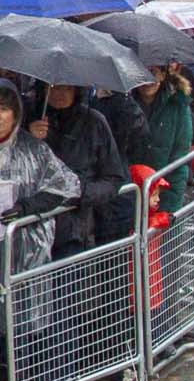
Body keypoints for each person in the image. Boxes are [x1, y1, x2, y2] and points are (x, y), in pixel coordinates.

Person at [0, 80, 82, 381]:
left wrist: (29, 208)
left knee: (22, 333)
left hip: (22, 259)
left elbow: (68, 185)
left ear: (16, 114)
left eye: (4, 109)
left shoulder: (34, 151)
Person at [28, 84, 126, 257]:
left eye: (66, 88)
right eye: (54, 88)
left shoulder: (94, 122)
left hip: (74, 232)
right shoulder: (29, 118)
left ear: (76, 90)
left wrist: (81, 193)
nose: (59, 94)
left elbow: (113, 178)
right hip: (33, 229)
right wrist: (28, 139)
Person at [132, 65, 194, 214]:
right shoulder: (123, 103)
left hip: (163, 193)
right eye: (142, 73)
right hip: (131, 195)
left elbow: (179, 158)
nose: (147, 80)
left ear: (162, 74)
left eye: (153, 73)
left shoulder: (178, 104)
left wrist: (170, 207)